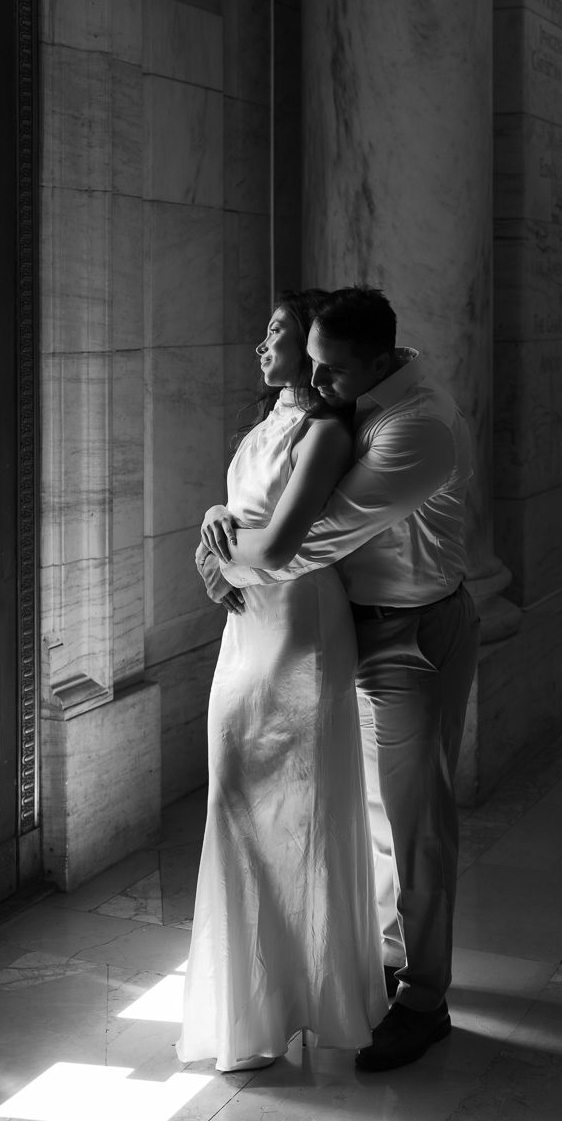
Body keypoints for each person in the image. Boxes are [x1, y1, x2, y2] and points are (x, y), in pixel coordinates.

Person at [202, 285, 480, 1072]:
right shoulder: (353, 401)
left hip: (411, 633)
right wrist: (216, 522)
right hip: (345, 627)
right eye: (314, 362)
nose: (316, 381)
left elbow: (312, 537)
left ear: (381, 361)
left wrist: (218, 555)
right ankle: (385, 957)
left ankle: (424, 998)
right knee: (370, 814)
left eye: (331, 370)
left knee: (415, 822)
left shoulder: (417, 427)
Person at [177, 289, 388, 1073]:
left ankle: (302, 1000)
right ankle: (256, 1009)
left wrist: (215, 555)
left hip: (298, 630)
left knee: (297, 809)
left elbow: (278, 544)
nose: (261, 344)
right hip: (248, 628)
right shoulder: (266, 421)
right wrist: (214, 518)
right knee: (235, 803)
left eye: (277, 333)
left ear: (312, 349)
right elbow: (245, 513)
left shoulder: (323, 431)